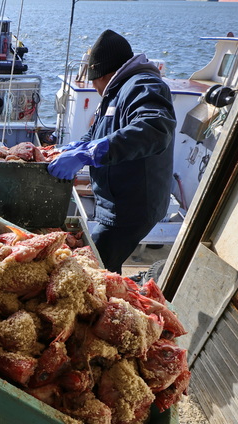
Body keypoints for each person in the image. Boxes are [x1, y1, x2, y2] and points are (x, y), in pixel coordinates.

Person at [48, 30, 176, 274]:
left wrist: (89, 153)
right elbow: (97, 133)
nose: (94, 87)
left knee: (92, 269)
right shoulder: (114, 92)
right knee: (103, 264)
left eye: (93, 80)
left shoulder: (144, 85)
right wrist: (75, 147)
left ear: (104, 73)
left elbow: (155, 129)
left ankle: (112, 307)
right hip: (115, 201)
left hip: (132, 206)